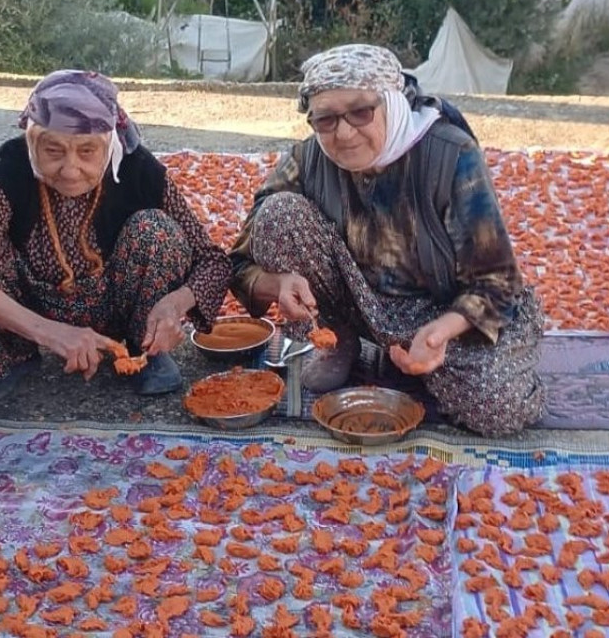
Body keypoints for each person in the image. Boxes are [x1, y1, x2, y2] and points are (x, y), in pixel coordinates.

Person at [229, 44, 545, 437]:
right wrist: (278, 285)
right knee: (278, 214)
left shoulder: (450, 156)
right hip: (364, 306)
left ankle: (422, 363)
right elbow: (238, 263)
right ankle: (338, 341)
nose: (344, 133)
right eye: (325, 119)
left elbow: (497, 281)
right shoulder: (308, 159)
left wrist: (440, 334)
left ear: (394, 103)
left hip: (444, 312)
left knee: (498, 408)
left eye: (361, 112)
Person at [0, 70, 230, 399]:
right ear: (32, 142)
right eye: (53, 151)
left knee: (156, 231)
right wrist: (50, 332)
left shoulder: (138, 170)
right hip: (30, 306)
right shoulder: (11, 167)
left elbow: (213, 261)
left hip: (116, 305)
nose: (71, 170)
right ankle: (9, 355)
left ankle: (144, 352)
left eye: (87, 151)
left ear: (109, 146)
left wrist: (174, 305)